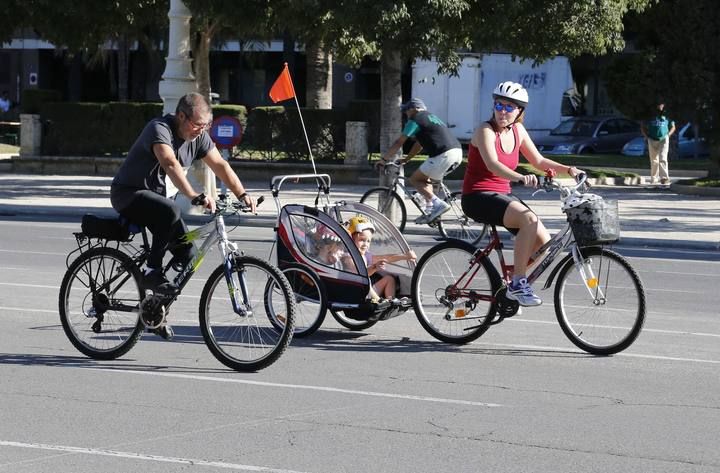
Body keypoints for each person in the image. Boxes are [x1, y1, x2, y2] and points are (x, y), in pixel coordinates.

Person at [110, 92, 256, 334]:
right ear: (181, 116)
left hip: (158, 202)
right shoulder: (159, 129)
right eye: (197, 124)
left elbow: (220, 165)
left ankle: (155, 311)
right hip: (128, 194)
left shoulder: (199, 138)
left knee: (188, 256)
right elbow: (169, 163)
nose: (201, 130)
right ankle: (151, 272)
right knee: (170, 210)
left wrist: (242, 194)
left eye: (205, 125)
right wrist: (193, 195)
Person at [461, 81, 582, 307]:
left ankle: (508, 289)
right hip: (477, 196)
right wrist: (519, 177)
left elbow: (538, 160)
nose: (502, 112)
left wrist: (569, 170)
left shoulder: (518, 131)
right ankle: (518, 282)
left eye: (509, 107)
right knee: (529, 220)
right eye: (499, 105)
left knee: (545, 246)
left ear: (519, 112)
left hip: (502, 197)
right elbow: (493, 164)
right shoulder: (485, 131)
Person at [378, 98, 463, 224]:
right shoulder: (430, 117)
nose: (406, 114)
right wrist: (407, 159)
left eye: (406, 111)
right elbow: (419, 144)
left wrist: (384, 159)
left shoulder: (415, 119)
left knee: (415, 179)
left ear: (413, 109)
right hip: (457, 153)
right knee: (425, 180)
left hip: (443, 154)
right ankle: (430, 211)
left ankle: (438, 204)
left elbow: (399, 142)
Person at [345, 216, 416, 301]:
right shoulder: (348, 257)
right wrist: (374, 267)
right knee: (367, 282)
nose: (365, 244)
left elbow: (386, 258)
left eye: (368, 241)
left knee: (389, 279)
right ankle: (379, 301)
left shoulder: (364, 255)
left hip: (367, 290)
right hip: (357, 292)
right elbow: (361, 275)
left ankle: (390, 301)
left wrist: (405, 256)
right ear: (350, 239)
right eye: (362, 240)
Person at [641, 101, 675, 185]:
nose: (661, 106)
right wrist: (646, 136)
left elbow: (673, 127)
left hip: (663, 139)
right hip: (652, 139)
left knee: (663, 158)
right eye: (659, 105)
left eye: (662, 105)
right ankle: (654, 178)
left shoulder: (667, 116)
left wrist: (668, 135)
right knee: (654, 160)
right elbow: (642, 126)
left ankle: (664, 178)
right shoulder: (650, 117)